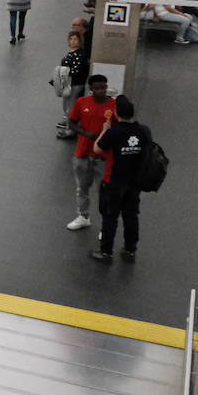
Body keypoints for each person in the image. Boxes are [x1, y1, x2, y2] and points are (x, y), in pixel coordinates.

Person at [89, 96, 153, 262]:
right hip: (134, 183)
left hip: (114, 183)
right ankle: (130, 250)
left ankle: (106, 253)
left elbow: (97, 148)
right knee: (131, 217)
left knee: (110, 218)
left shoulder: (114, 132)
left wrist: (104, 129)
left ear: (116, 114)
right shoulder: (143, 131)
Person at [65, 74, 115, 231]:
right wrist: (86, 133)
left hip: (104, 156)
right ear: (91, 89)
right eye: (97, 88)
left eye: (104, 87)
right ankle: (83, 216)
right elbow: (71, 123)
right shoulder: (82, 102)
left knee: (105, 191)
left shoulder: (114, 105)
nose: (101, 91)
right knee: (82, 187)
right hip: (83, 154)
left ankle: (105, 226)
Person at [55, 31, 88, 139]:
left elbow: (77, 70)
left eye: (75, 39)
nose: (72, 41)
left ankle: (70, 130)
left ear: (79, 41)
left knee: (71, 106)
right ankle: (68, 125)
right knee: (66, 105)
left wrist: (64, 73)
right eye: (71, 39)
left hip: (75, 84)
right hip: (68, 83)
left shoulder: (79, 54)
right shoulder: (72, 53)